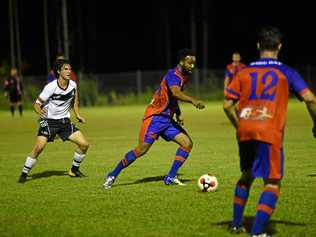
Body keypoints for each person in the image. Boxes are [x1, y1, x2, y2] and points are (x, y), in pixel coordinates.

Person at [223, 26, 316, 237]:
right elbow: (310, 98)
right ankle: (257, 233)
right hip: (269, 130)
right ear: (280, 46)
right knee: (273, 182)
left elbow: (227, 105)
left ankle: (236, 224)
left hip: (245, 129)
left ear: (258, 46)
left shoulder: (244, 72)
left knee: (246, 175)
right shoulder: (286, 71)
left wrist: (240, 126)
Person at [103, 48, 205, 189]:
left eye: (194, 63)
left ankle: (171, 176)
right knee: (141, 150)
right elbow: (175, 93)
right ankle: (112, 174)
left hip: (167, 120)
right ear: (181, 62)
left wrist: (178, 112)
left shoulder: (184, 76)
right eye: (189, 63)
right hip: (154, 118)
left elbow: (172, 97)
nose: (192, 66)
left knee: (187, 143)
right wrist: (193, 100)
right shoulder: (173, 75)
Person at [18, 59, 89, 183]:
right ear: (58, 71)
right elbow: (37, 103)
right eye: (65, 69)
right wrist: (39, 111)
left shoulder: (73, 85)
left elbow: (74, 102)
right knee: (39, 147)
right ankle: (24, 173)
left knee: (84, 145)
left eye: (70, 69)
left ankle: (74, 170)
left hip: (64, 122)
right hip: (49, 121)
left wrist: (78, 115)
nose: (69, 71)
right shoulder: (51, 87)